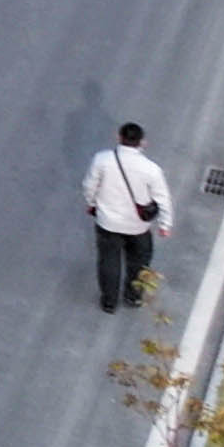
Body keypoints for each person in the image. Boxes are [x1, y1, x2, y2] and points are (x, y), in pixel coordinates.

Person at [84, 124, 174, 313]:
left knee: (109, 261)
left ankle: (109, 302)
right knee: (139, 262)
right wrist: (165, 224)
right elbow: (162, 199)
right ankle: (133, 296)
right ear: (143, 143)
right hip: (138, 226)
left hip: (107, 222)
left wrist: (92, 203)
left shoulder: (102, 159)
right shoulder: (151, 169)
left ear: (118, 137)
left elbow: (89, 185)